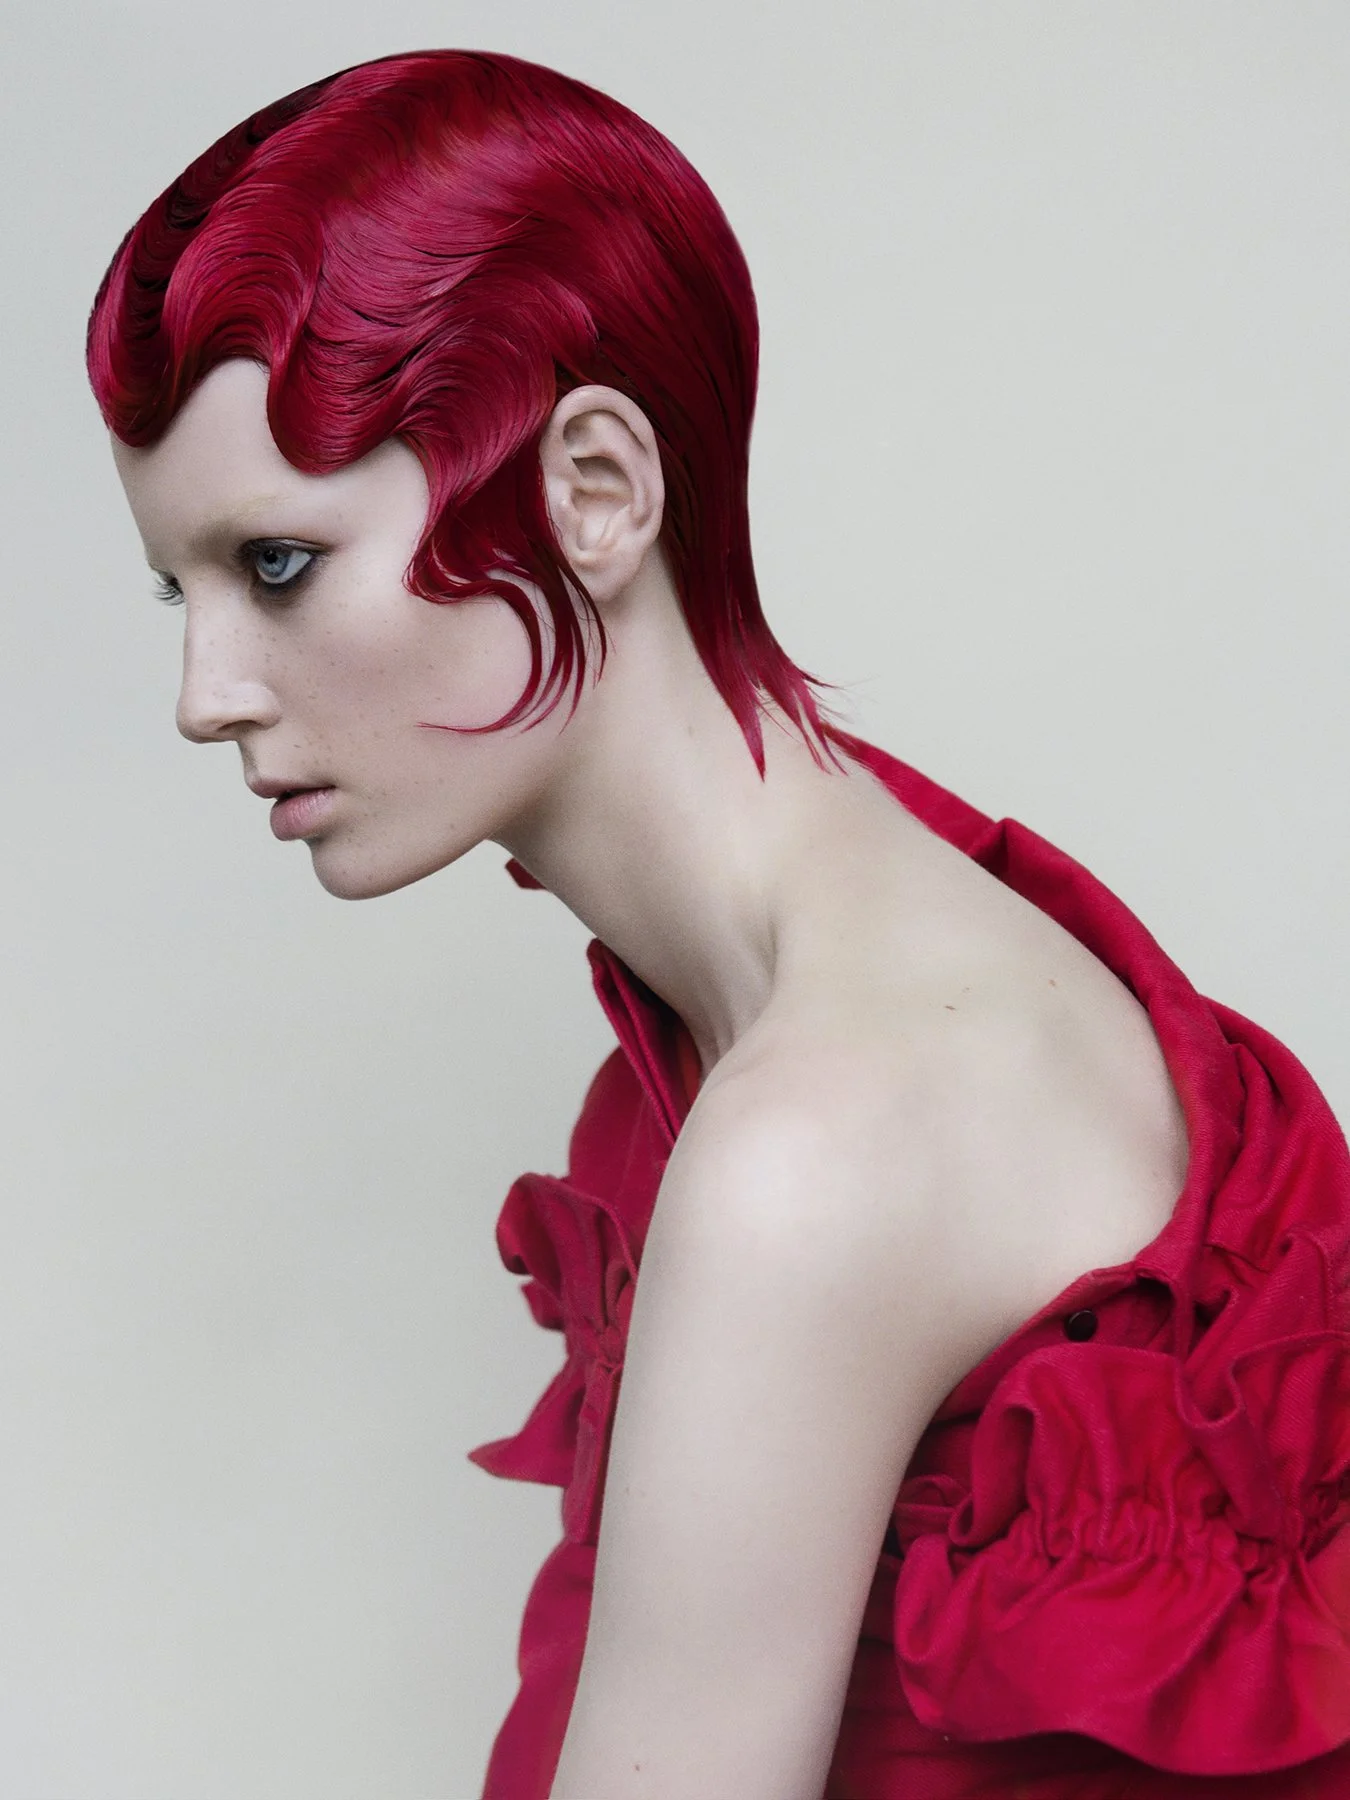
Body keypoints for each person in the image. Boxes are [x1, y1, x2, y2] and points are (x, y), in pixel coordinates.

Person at [87, 47, 1350, 1800]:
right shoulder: (829, 951)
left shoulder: (819, 1145)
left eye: (277, 565)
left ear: (595, 489)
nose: (204, 694)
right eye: (180, 587)